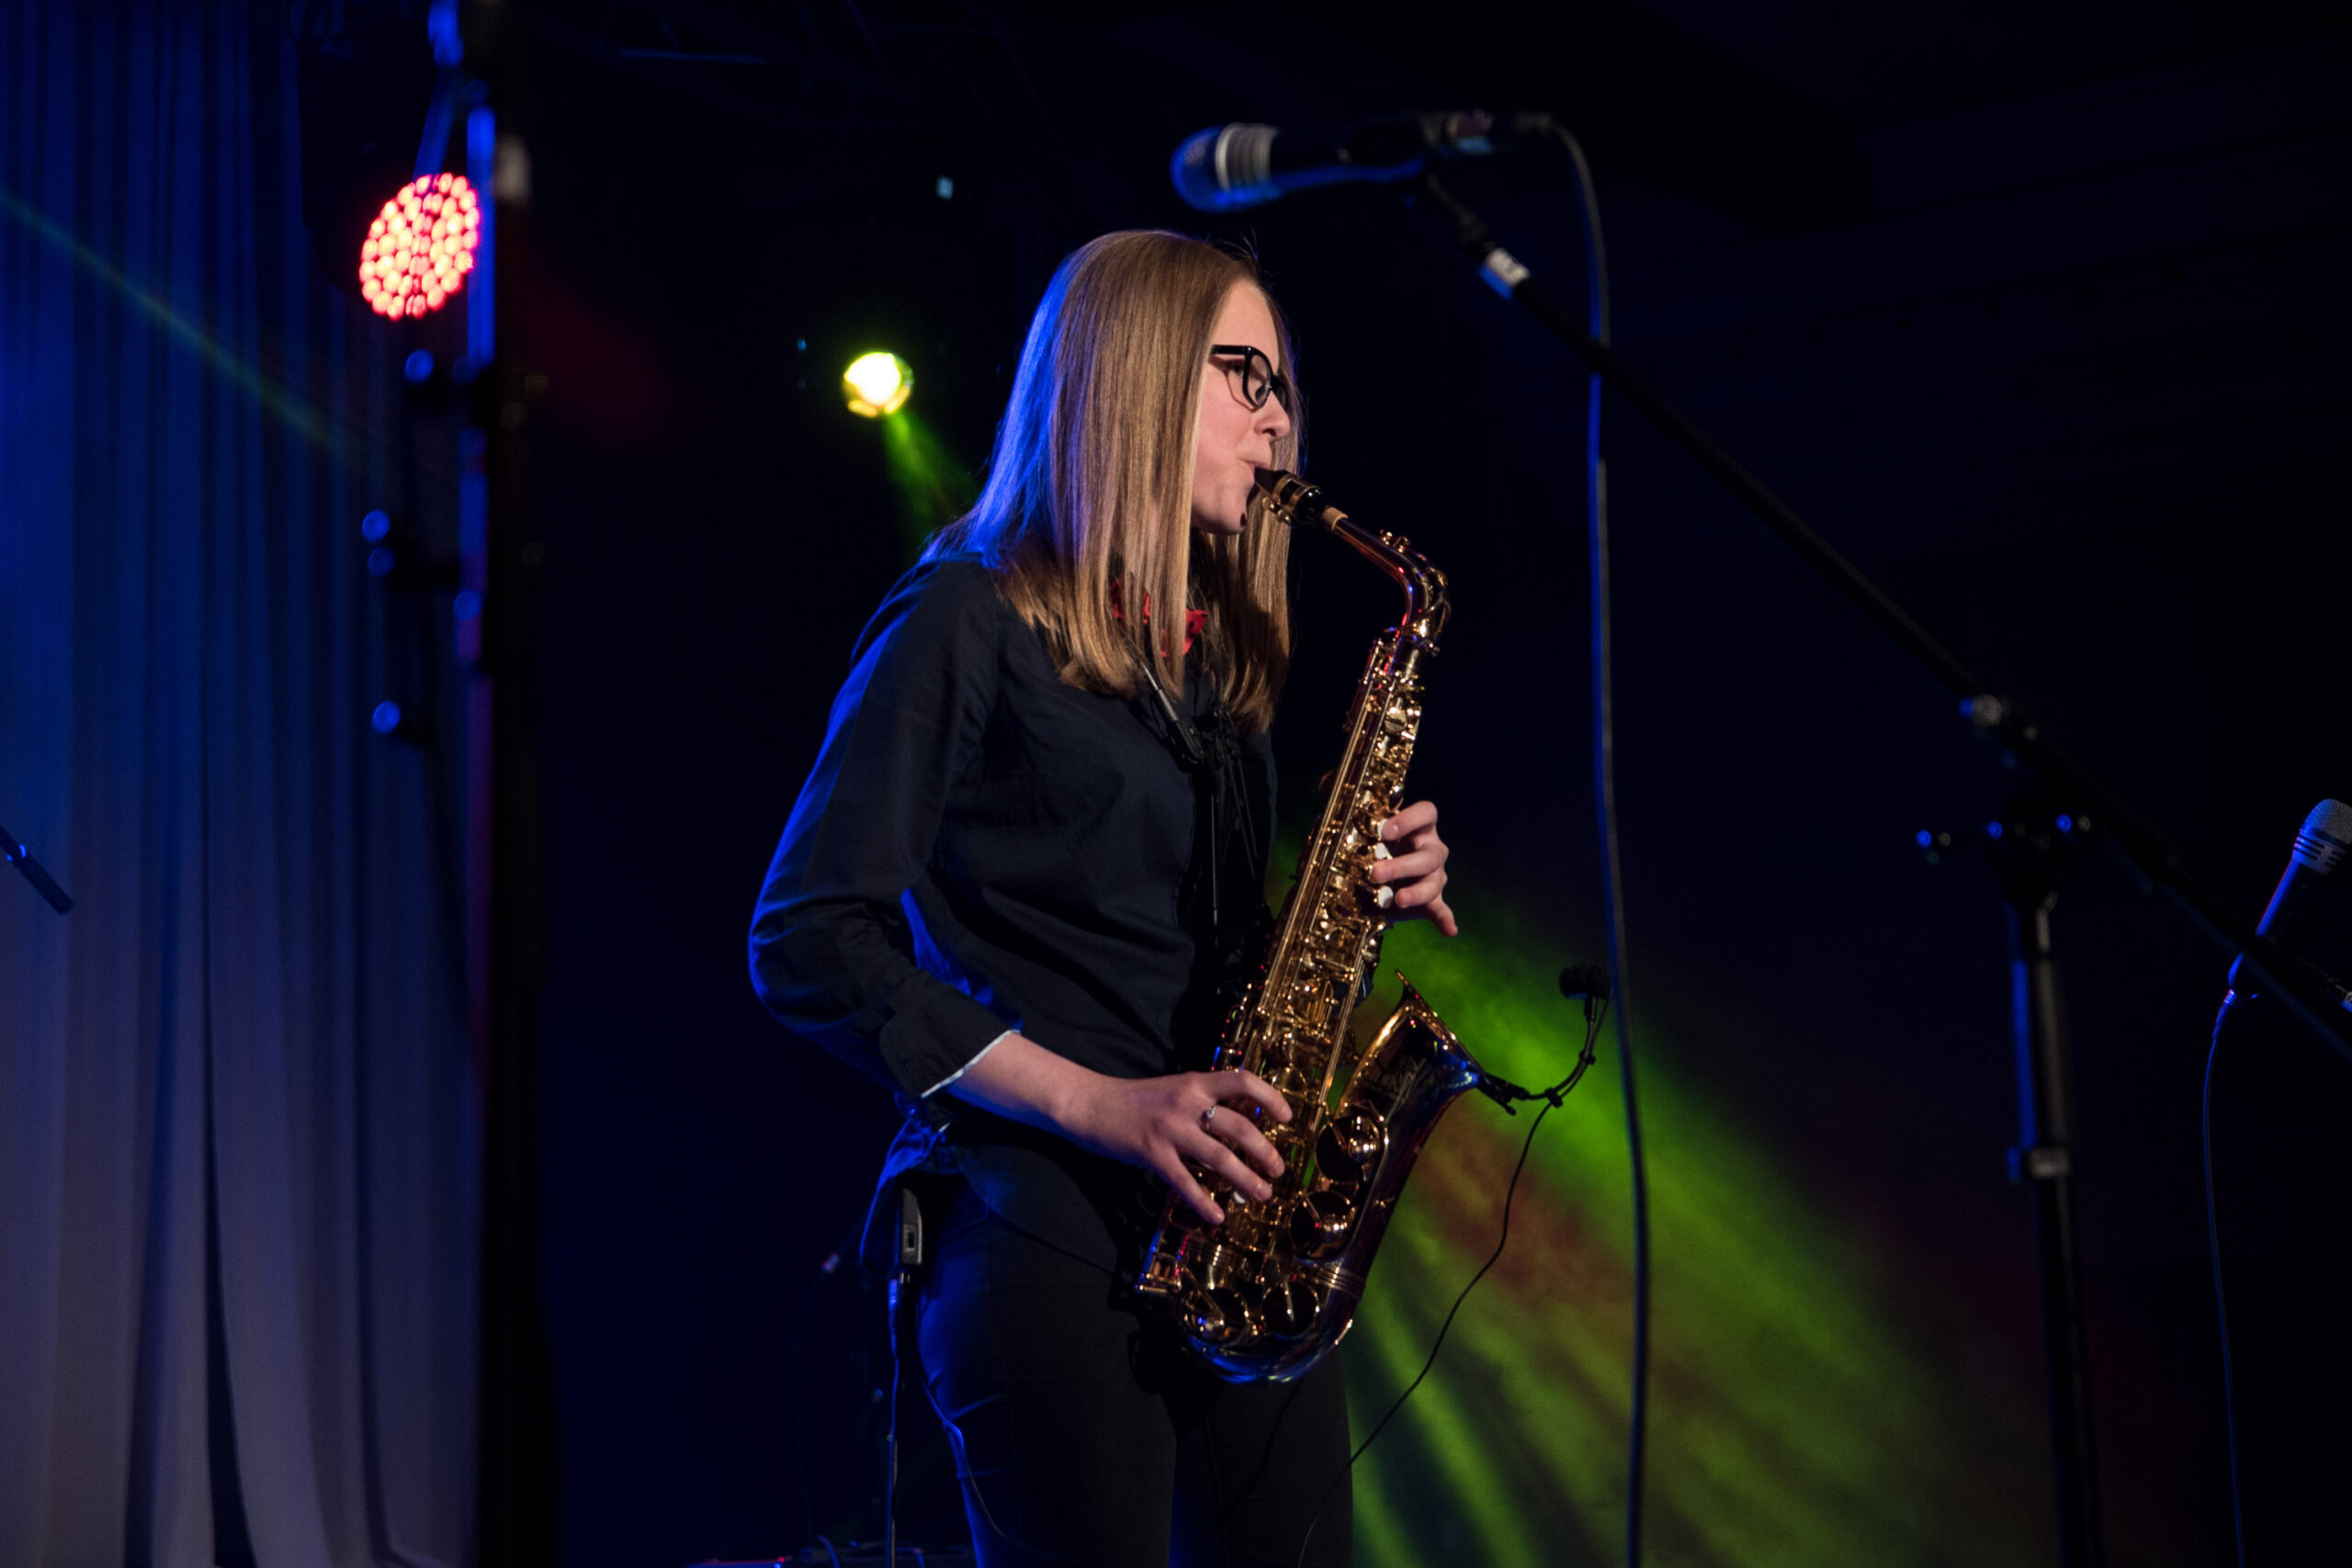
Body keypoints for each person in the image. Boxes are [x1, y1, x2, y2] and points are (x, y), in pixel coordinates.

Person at [749, 230, 1456, 1568]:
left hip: (1229, 1244)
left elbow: (1236, 984)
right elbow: (805, 939)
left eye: (1287, 386)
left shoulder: (1215, 675)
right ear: (1131, 375)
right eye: (1245, 376)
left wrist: (1356, 907)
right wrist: (1105, 1106)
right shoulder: (962, 615)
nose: (1280, 421)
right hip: (1041, 1233)